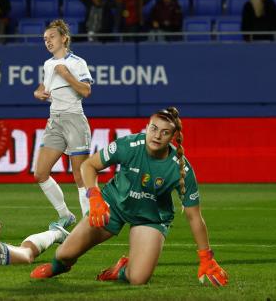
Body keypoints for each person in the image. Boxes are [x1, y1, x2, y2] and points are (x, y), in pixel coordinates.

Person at [30, 107, 229, 288]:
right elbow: (88, 166)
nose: (157, 136)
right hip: (113, 206)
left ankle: (121, 271)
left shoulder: (181, 168)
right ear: (147, 127)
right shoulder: (129, 145)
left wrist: (206, 257)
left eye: (165, 132)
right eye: (153, 128)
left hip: (150, 218)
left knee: (138, 279)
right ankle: (58, 267)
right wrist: (95, 196)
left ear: (174, 136)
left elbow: (194, 217)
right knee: (64, 254)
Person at [32, 19, 93, 232]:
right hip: (55, 120)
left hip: (74, 118)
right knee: (40, 173)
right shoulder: (48, 64)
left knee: (80, 174)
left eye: (52, 37)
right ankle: (66, 215)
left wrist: (66, 74)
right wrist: (38, 92)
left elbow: (86, 91)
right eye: (45, 39)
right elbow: (44, 86)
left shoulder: (77, 62)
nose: (48, 41)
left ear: (64, 38)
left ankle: (89, 220)